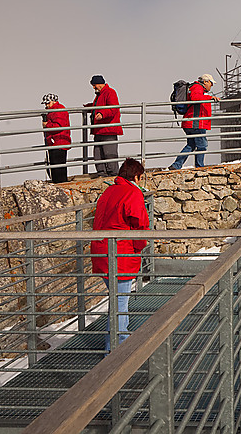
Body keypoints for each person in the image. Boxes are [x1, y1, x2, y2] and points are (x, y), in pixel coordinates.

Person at [90, 158, 149, 352]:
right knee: (120, 303)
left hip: (101, 251)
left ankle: (118, 342)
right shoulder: (133, 193)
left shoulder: (109, 191)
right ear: (137, 176)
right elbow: (139, 224)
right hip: (121, 254)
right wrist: (140, 246)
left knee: (117, 300)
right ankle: (116, 349)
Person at [169, 73, 219, 170]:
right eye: (211, 83)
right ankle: (199, 166)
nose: (211, 86)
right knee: (202, 145)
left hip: (191, 122)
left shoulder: (196, 87)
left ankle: (176, 165)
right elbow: (195, 98)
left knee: (191, 145)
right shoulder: (197, 87)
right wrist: (210, 98)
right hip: (196, 123)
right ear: (205, 82)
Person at [85, 75, 123, 177]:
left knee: (109, 153)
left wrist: (102, 114)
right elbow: (102, 106)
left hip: (108, 129)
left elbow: (113, 108)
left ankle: (113, 175)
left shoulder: (110, 92)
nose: (94, 87)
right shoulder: (100, 94)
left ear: (100, 83)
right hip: (99, 129)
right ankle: (102, 173)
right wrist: (90, 107)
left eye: (94, 85)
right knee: (98, 154)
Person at [41, 93, 71, 183]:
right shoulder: (54, 110)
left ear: (54, 102)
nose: (46, 106)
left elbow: (58, 126)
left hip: (58, 142)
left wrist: (47, 125)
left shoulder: (58, 110)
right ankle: (59, 182)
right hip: (56, 141)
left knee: (57, 165)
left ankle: (59, 183)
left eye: (48, 103)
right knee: (56, 164)